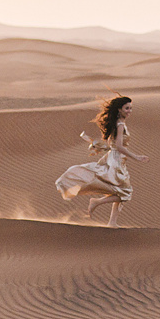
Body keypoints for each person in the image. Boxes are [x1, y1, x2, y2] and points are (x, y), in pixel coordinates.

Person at [56, 94, 146, 226]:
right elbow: (119, 146)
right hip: (116, 160)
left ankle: (112, 222)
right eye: (127, 108)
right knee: (125, 192)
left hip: (116, 159)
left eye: (130, 108)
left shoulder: (118, 123)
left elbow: (113, 144)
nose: (129, 111)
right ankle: (97, 202)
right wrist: (136, 157)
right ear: (119, 109)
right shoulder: (120, 125)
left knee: (121, 190)